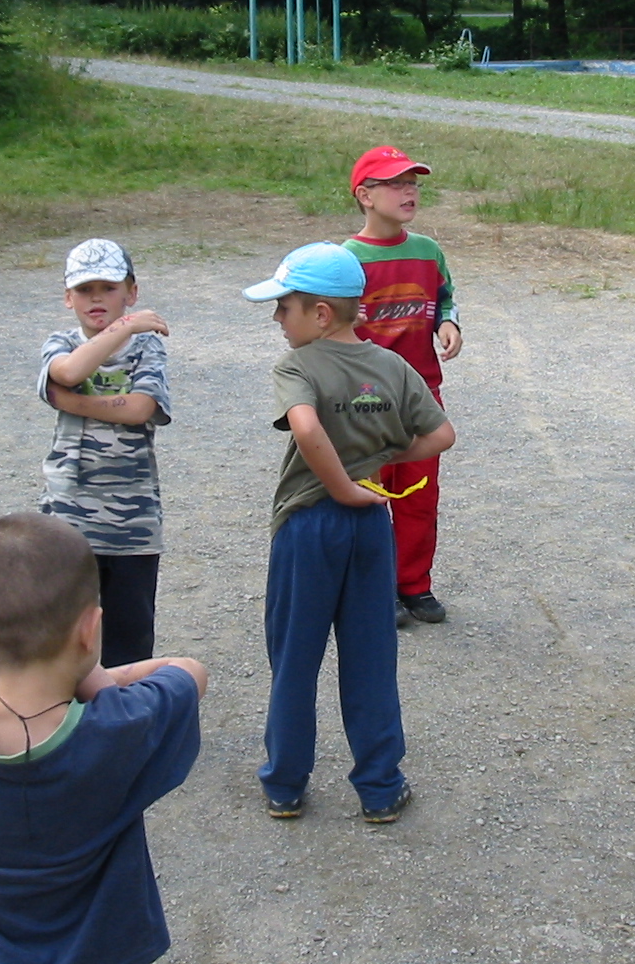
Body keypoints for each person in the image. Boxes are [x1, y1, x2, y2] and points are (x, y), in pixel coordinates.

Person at [0, 512, 206, 964]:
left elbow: (1, 661)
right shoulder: (116, 730)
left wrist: (76, 660)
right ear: (90, 630)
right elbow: (189, 673)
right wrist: (97, 673)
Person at [243, 242, 456, 821]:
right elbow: (442, 435)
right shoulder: (391, 365)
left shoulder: (297, 366)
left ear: (320, 314)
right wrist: (379, 457)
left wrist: (337, 485)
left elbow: (307, 429)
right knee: (370, 658)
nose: (276, 317)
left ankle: (285, 784)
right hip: (371, 523)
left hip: (310, 523)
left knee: (295, 656)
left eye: (284, 306)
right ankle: (380, 788)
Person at [343, 145, 462, 627]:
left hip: (421, 394)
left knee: (419, 493)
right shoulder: (347, 259)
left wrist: (448, 323)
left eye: (412, 183)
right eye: (395, 184)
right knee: (369, 492)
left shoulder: (428, 251)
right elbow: (330, 323)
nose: (408, 191)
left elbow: (445, 297)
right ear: (365, 196)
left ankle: (414, 583)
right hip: (366, 398)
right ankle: (374, 588)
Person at [39, 238, 172, 667]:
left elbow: (141, 408)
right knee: (66, 635)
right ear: (68, 298)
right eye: (84, 289)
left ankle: (123, 708)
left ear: (131, 292)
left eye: (108, 288)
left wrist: (72, 403)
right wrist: (124, 326)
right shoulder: (61, 342)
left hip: (133, 520)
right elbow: (68, 372)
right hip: (68, 514)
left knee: (129, 641)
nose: (96, 298)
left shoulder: (146, 346)